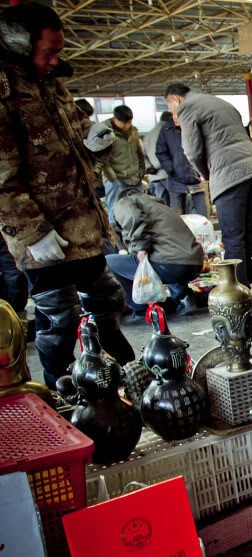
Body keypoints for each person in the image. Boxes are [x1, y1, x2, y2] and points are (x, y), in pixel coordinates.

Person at [0, 2, 135, 387]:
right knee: (59, 316)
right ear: (20, 46)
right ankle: (63, 389)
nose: (56, 60)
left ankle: (122, 376)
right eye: (49, 52)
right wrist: (31, 233)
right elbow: (1, 179)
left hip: (82, 225)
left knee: (107, 302)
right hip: (43, 234)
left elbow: (80, 135)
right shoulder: (4, 90)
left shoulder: (51, 83)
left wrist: (96, 142)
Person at [165, 82, 252, 286]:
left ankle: (239, 295)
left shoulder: (188, 107)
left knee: (233, 239)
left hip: (229, 175)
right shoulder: (219, 102)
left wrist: (206, 174)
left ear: (176, 100)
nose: (174, 114)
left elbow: (192, 151)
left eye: (171, 109)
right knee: (249, 237)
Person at [106, 189, 204, 317]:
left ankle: (141, 308)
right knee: (161, 253)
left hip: (171, 264)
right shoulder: (157, 206)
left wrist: (141, 248)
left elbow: (133, 219)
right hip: (193, 263)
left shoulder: (123, 203)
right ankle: (184, 297)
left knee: (109, 261)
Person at [156, 105, 205, 216]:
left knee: (201, 215)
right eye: (173, 114)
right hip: (175, 180)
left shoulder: (196, 126)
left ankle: (199, 234)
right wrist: (171, 168)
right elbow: (160, 152)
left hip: (197, 179)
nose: (175, 118)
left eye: (178, 115)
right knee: (177, 216)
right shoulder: (166, 130)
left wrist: (203, 170)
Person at [103, 105, 145, 226]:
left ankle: (137, 241)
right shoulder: (105, 133)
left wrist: (141, 170)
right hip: (117, 181)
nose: (128, 126)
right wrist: (112, 178)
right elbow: (103, 160)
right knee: (115, 215)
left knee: (138, 213)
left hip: (135, 178)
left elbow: (139, 152)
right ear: (116, 120)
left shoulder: (133, 131)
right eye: (125, 123)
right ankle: (118, 243)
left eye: (130, 122)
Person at [143, 111, 171, 205]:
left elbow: (143, 155)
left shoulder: (148, 135)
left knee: (161, 208)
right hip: (167, 175)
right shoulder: (168, 132)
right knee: (172, 209)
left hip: (153, 176)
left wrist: (150, 167)